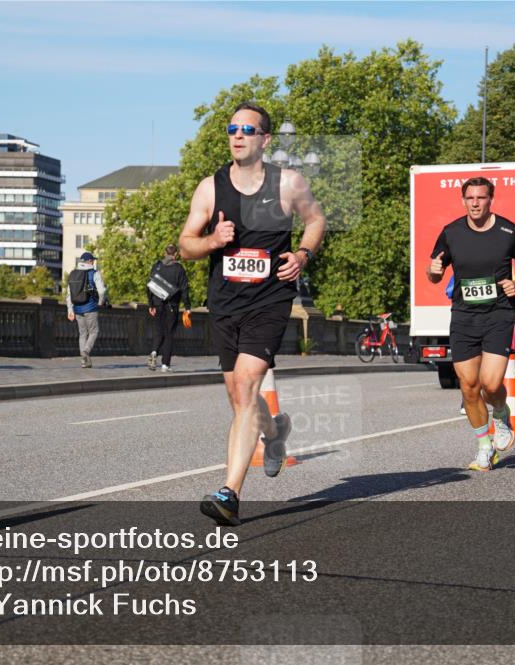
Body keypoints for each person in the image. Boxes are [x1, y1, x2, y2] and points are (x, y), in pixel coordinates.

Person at [179, 102, 326, 525]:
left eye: (248, 129)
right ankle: (275, 432)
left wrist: (302, 253)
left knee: (245, 385)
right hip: (225, 303)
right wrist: (211, 241)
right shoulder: (210, 187)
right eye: (232, 128)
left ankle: (229, 493)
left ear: (265, 139)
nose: (238, 135)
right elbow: (186, 243)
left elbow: (315, 221)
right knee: (237, 396)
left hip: (270, 300)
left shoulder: (288, 183)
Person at [427, 177, 515, 472]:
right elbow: (434, 273)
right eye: (470, 198)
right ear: (463, 200)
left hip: (499, 314)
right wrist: (432, 270)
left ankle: (500, 414)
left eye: (481, 198)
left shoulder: (509, 231)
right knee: (469, 387)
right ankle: (484, 449)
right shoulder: (451, 232)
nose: (475, 203)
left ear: (491, 199)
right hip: (463, 316)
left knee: (489, 383)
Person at [147, 244, 191, 372]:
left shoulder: (157, 266)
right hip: (172, 305)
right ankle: (165, 365)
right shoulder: (179, 268)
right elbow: (184, 289)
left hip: (157, 304)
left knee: (158, 330)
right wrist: (187, 306)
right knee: (169, 334)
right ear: (175, 254)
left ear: (164, 252)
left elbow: (149, 285)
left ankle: (154, 352)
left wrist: (151, 304)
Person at [66, 251, 107, 368]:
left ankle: (84, 361)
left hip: (77, 308)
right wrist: (100, 302)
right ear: (89, 261)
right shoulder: (94, 273)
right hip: (90, 307)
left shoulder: (73, 274)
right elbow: (102, 291)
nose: (94, 262)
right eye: (93, 260)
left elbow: (69, 294)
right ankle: (86, 351)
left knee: (82, 334)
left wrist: (70, 310)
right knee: (94, 331)